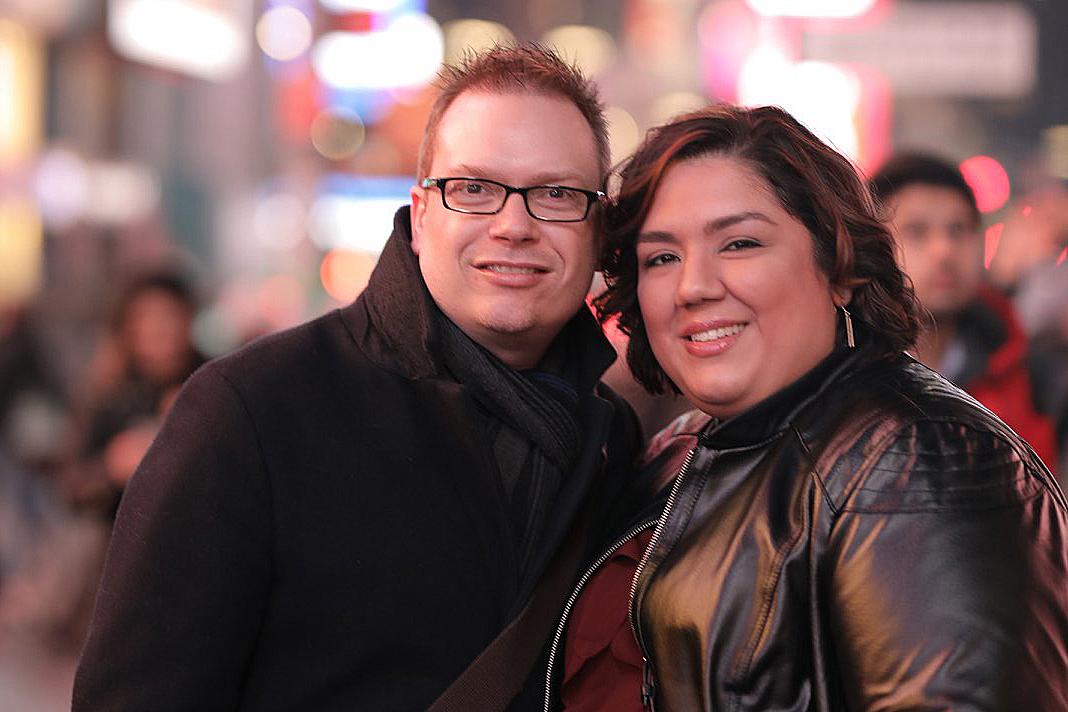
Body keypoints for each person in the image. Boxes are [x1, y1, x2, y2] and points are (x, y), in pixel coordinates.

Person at [72, 45, 640, 712]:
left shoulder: (615, 444)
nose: (513, 225)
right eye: (475, 189)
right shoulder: (254, 411)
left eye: (556, 194)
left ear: (598, 230)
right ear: (422, 214)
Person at [544, 105, 1068, 711]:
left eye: (739, 243)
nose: (693, 286)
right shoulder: (680, 448)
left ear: (839, 267)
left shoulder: (924, 457)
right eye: (662, 257)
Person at [868, 152, 1058, 471]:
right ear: (871, 246)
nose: (944, 250)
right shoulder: (837, 377)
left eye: (958, 230)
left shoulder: (1030, 377)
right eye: (916, 230)